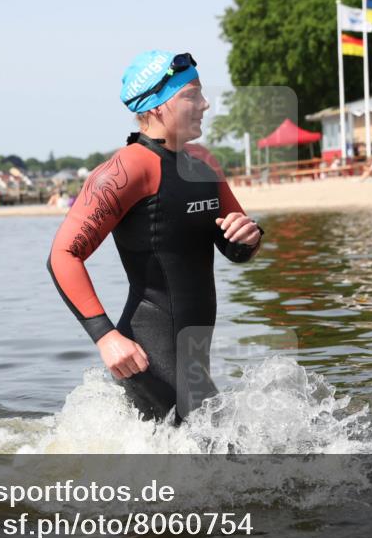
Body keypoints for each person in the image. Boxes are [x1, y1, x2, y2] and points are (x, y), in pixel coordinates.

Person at [47, 51, 263, 424]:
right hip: (149, 353)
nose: (205, 104)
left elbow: (237, 249)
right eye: (192, 95)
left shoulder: (204, 164)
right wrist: (105, 337)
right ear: (159, 106)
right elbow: (63, 254)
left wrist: (248, 236)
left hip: (192, 354)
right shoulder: (126, 169)